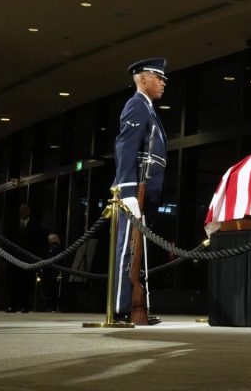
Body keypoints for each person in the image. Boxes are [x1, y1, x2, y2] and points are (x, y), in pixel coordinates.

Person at [112, 57, 168, 325]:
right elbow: (126, 147)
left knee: (139, 248)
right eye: (158, 78)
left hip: (149, 187)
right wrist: (127, 191)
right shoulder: (136, 105)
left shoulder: (148, 108)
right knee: (127, 248)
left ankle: (138, 307)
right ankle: (121, 308)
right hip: (136, 188)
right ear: (143, 78)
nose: (162, 83)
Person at [5, 203, 46, 313]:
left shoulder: (36, 226)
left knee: (26, 283)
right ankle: (12, 305)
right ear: (19, 211)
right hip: (13, 259)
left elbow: (39, 244)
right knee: (13, 283)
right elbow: (7, 243)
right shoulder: (12, 225)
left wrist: (37, 259)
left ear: (29, 211)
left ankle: (24, 305)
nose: (24, 211)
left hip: (28, 260)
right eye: (22, 209)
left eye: (26, 209)